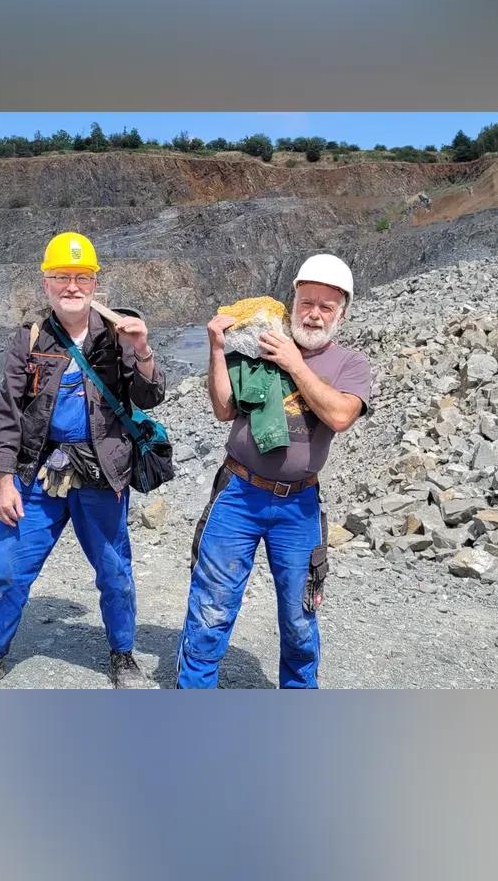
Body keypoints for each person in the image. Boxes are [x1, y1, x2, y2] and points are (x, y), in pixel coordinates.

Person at [0, 231, 165, 689]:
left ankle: (123, 655)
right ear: (46, 283)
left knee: (114, 572)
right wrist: (5, 482)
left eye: (81, 277)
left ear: (95, 283)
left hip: (101, 473)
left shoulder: (118, 334)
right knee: (6, 569)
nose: (72, 287)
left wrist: (143, 350)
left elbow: (150, 397)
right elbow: (8, 412)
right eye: (61, 277)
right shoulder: (29, 338)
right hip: (38, 474)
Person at [177, 253, 372, 689]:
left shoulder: (350, 365)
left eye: (326, 306)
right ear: (294, 301)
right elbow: (224, 410)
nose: (314, 314)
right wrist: (216, 349)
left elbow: (340, 415)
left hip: (298, 505)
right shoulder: (259, 343)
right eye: (307, 302)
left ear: (341, 314)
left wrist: (293, 363)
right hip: (238, 494)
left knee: (300, 618)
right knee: (210, 609)